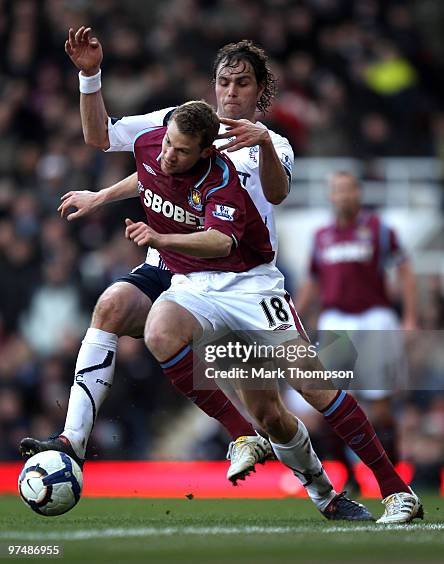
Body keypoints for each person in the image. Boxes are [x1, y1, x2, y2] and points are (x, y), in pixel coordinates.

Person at [21, 29, 420, 523]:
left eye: (242, 84)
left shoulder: (269, 143)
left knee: (285, 404)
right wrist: (89, 78)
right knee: (132, 317)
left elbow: (274, 196)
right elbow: (128, 149)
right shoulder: (180, 125)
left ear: (260, 91)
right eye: (224, 82)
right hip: (184, 275)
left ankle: (360, 492)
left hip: (249, 281)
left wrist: (265, 149)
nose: (230, 92)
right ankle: (74, 441)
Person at [296, 170, 417, 475]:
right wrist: (294, 318)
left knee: (380, 405)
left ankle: (390, 475)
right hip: (336, 320)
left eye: (349, 190)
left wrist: (411, 317)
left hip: (376, 316)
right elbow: (313, 282)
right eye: (338, 190)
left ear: (358, 194)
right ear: (330, 195)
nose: (343, 196)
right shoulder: (321, 236)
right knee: (331, 399)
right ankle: (347, 475)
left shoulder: (379, 230)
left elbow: (404, 270)